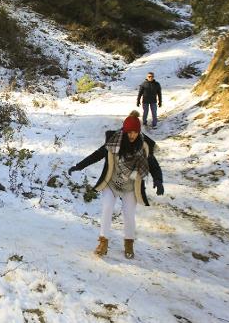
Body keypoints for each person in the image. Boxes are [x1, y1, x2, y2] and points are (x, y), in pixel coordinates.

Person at [68, 111, 164, 259]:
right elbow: (96, 155)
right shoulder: (113, 143)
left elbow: (153, 165)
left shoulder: (143, 146)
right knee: (107, 209)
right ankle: (103, 242)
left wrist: (158, 180)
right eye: (129, 132)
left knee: (129, 215)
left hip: (131, 185)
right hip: (111, 183)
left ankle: (129, 243)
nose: (132, 136)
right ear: (124, 131)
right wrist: (79, 166)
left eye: (135, 132)